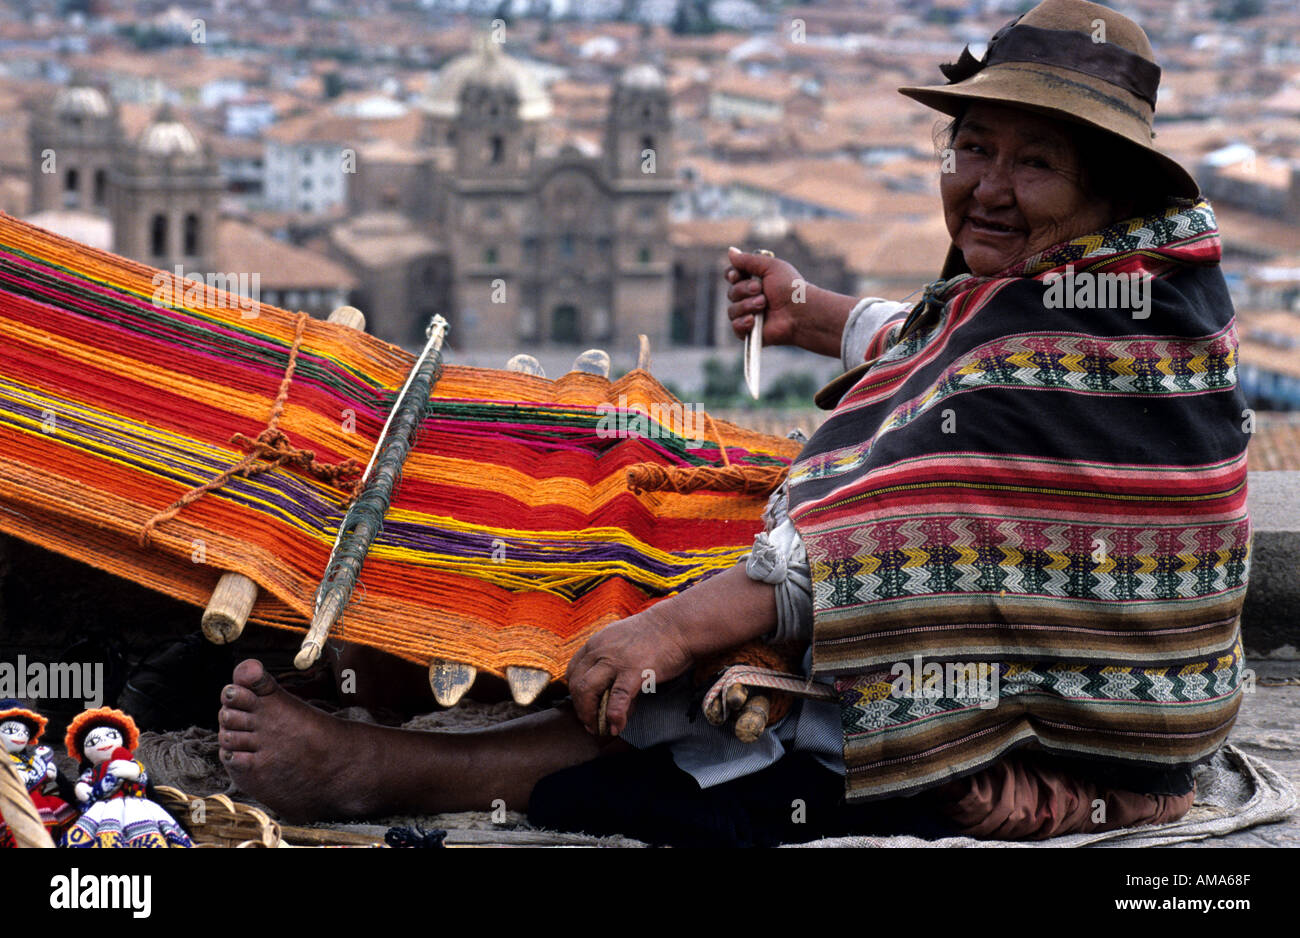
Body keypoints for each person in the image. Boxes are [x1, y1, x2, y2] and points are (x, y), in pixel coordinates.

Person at [217, 0, 1249, 846]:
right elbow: (951, 363)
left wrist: (668, 629)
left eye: (1033, 164)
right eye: (971, 146)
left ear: (1103, 192)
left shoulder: (1097, 333)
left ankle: (387, 771)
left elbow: (905, 520)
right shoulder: (1099, 284)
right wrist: (820, 315)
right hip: (1054, 666)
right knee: (658, 517)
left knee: (730, 698)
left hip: (1072, 720)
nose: (985, 185)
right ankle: (410, 662)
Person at [62, 707, 194, 847]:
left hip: (137, 805)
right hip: (102, 809)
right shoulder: (92, 773)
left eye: (111, 736)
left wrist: (134, 772)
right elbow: (83, 785)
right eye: (93, 742)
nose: (104, 742)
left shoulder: (132, 765)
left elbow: (146, 784)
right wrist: (82, 789)